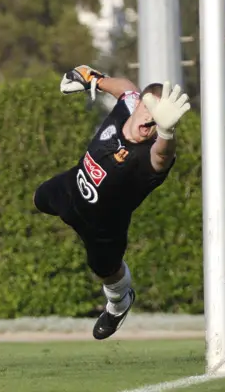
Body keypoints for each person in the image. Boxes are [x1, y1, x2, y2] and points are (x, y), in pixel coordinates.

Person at [33, 65, 191, 340]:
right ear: (140, 103)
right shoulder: (129, 104)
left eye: (160, 123)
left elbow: (162, 157)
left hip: (104, 227)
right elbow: (127, 87)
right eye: (151, 115)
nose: (152, 125)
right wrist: (95, 79)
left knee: (106, 272)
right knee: (39, 198)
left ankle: (119, 304)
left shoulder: (150, 154)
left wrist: (167, 133)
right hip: (72, 187)